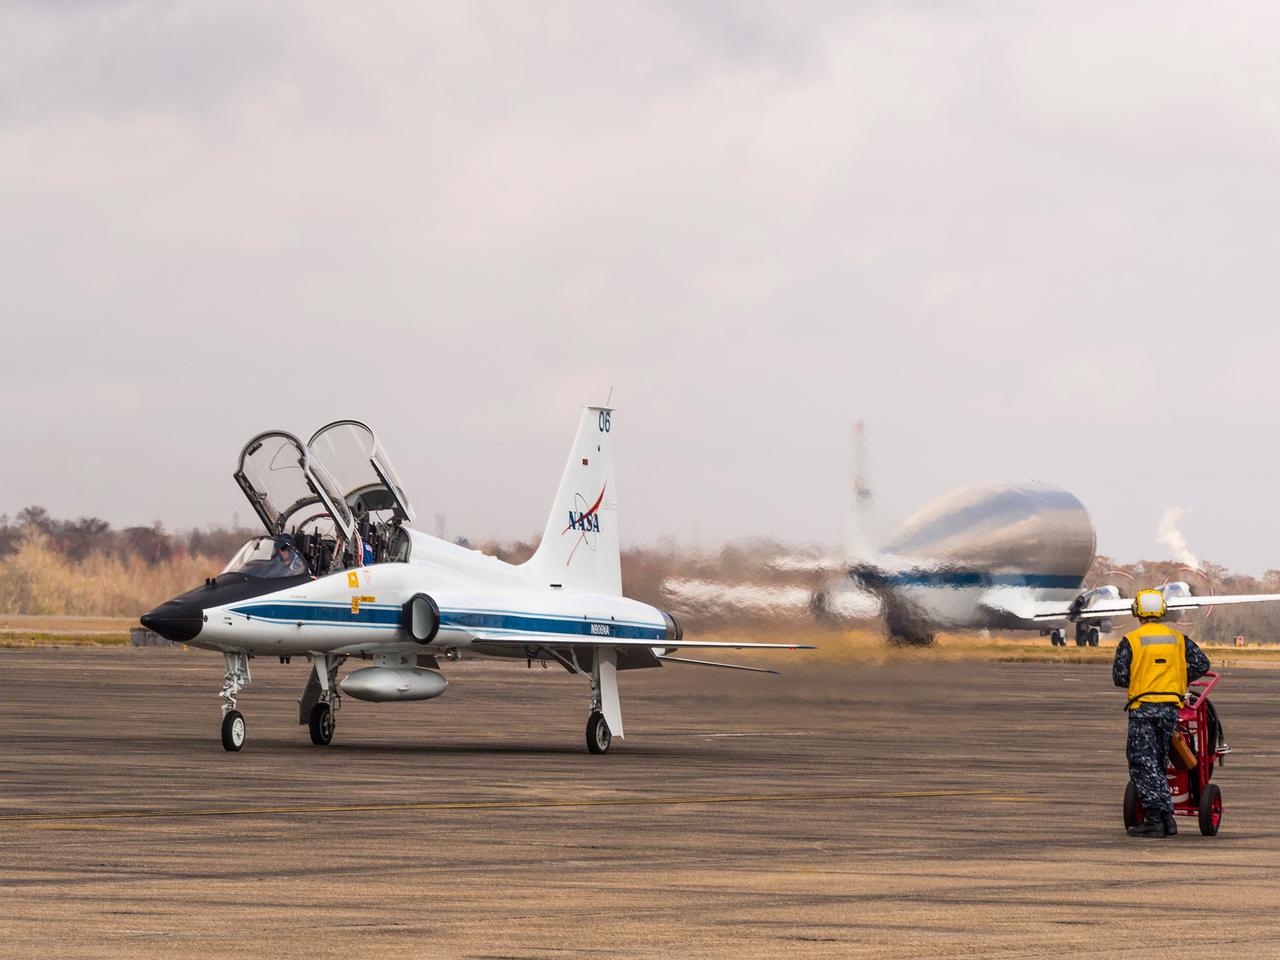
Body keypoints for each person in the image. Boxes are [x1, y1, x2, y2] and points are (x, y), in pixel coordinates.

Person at [1112, 589, 1210, 838]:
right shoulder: (1178, 639)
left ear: (1137, 612)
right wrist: (1174, 678)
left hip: (1143, 709)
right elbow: (1202, 664)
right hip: (1169, 709)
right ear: (1162, 611)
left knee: (1142, 763)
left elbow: (1120, 677)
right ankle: (1167, 819)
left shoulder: (1131, 640)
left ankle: (1156, 819)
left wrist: (1145, 679)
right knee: (1158, 761)